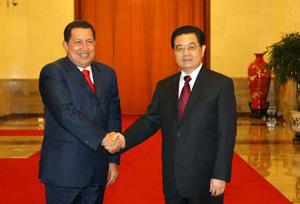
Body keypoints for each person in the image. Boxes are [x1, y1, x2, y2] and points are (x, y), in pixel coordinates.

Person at [105, 25, 237, 204]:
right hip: (173, 179)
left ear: (203, 49)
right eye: (179, 48)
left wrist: (220, 175)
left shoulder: (220, 85)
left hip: (205, 179)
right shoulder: (165, 87)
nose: (185, 53)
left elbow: (226, 134)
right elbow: (149, 121)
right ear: (173, 52)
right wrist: (122, 139)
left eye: (191, 46)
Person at [38, 20, 124, 204]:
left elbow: (113, 115)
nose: (84, 48)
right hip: (64, 171)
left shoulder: (107, 74)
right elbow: (65, 113)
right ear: (65, 45)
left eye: (90, 41)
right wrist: (103, 139)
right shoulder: (52, 72)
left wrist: (113, 159)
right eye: (78, 42)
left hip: (98, 168)